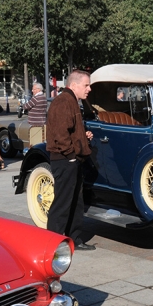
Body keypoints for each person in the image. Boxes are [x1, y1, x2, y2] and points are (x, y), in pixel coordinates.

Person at [46, 70, 95, 251]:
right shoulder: (63, 101)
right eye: (86, 85)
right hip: (65, 160)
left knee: (76, 201)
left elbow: (69, 131)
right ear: (74, 85)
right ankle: (52, 243)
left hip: (70, 159)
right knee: (63, 203)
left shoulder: (71, 101)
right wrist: (71, 156)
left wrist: (83, 136)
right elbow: (60, 134)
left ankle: (74, 239)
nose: (89, 89)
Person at [21, 82, 47, 147]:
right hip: (42, 122)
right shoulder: (44, 98)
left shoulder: (35, 98)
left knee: (33, 141)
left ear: (38, 89)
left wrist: (22, 105)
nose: (32, 91)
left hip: (34, 123)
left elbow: (26, 106)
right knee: (41, 140)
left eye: (34, 89)